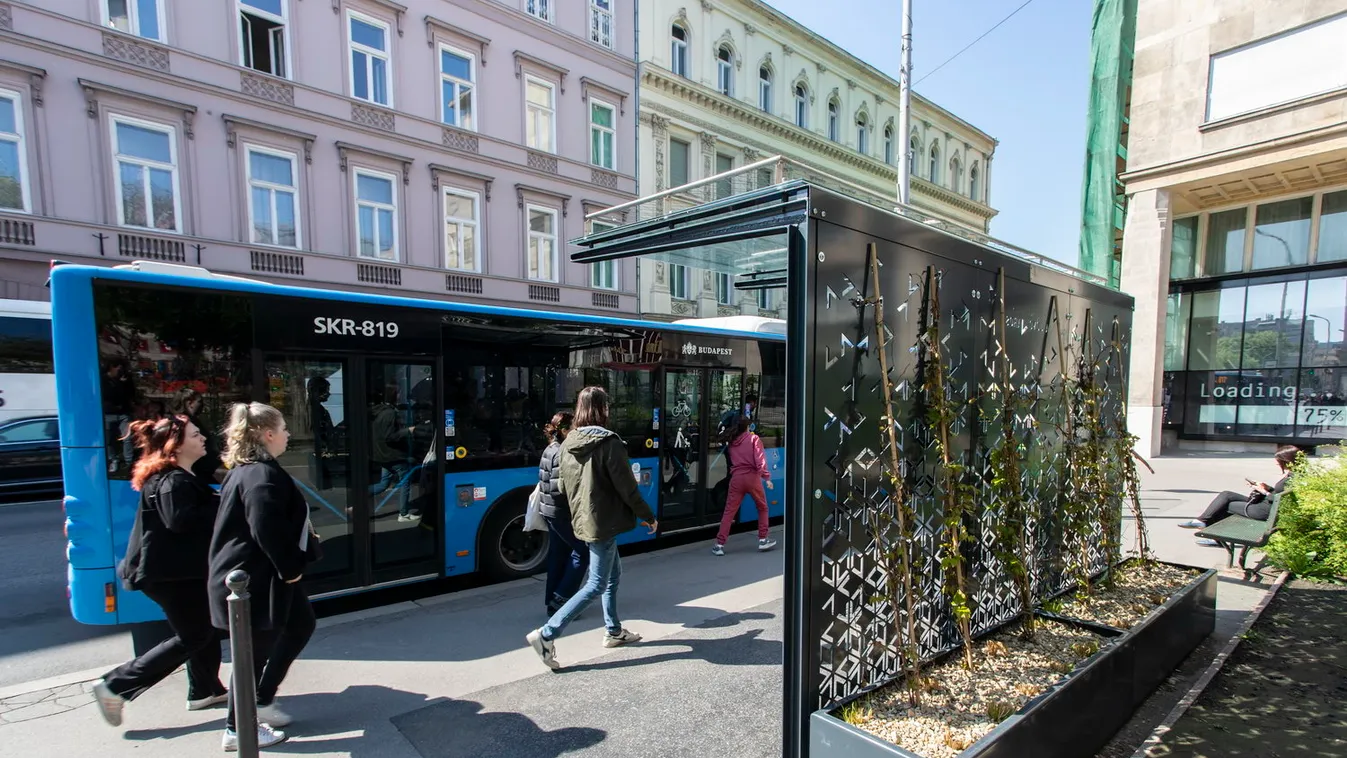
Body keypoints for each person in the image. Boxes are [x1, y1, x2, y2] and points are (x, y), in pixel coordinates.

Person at [92, 415, 228, 727]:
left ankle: (205, 690)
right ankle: (115, 686)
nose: (203, 439)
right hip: (169, 575)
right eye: (196, 435)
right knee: (194, 634)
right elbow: (181, 521)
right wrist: (220, 506)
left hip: (176, 572)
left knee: (205, 628)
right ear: (176, 445)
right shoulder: (173, 481)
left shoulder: (178, 476)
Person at [208, 402, 319, 751]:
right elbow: (265, 527)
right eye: (284, 428)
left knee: (300, 624)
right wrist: (290, 570)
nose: (288, 434)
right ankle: (237, 728)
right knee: (251, 653)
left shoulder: (248, 470)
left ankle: (261, 699)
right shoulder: (260, 476)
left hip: (259, 574)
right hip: (256, 579)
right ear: (268, 434)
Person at [526, 387, 656, 670]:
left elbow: (562, 486)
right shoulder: (610, 443)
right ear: (603, 409)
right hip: (603, 523)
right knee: (597, 583)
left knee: (613, 575)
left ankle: (613, 631)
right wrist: (647, 516)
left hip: (583, 520)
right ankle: (547, 634)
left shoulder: (568, 442)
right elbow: (628, 488)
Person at [1181, 445, 1300, 539]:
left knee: (1227, 505)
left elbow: (1281, 500)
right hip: (1266, 505)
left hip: (1264, 510)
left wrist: (1264, 492)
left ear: (1286, 461)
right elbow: (1279, 493)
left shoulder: (1294, 478)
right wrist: (1267, 487)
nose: (1276, 463)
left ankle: (1214, 536)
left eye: (1278, 461)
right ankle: (1202, 521)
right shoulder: (1293, 474)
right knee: (1227, 495)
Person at [538, 411, 588, 617]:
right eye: (575, 428)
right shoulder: (562, 452)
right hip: (561, 512)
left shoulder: (551, 448)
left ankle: (553, 600)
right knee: (583, 552)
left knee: (558, 554)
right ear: (566, 430)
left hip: (549, 510)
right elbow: (560, 489)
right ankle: (562, 600)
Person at [712, 414, 777, 556]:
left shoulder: (732, 441)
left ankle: (719, 544)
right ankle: (763, 539)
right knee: (762, 507)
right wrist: (767, 478)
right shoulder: (754, 439)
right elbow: (760, 460)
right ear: (747, 426)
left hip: (736, 479)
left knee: (729, 511)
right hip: (752, 478)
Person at [172, 387, 222, 483]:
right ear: (189, 403)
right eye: (198, 401)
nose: (200, 405)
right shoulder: (186, 423)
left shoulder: (180, 421)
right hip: (197, 467)